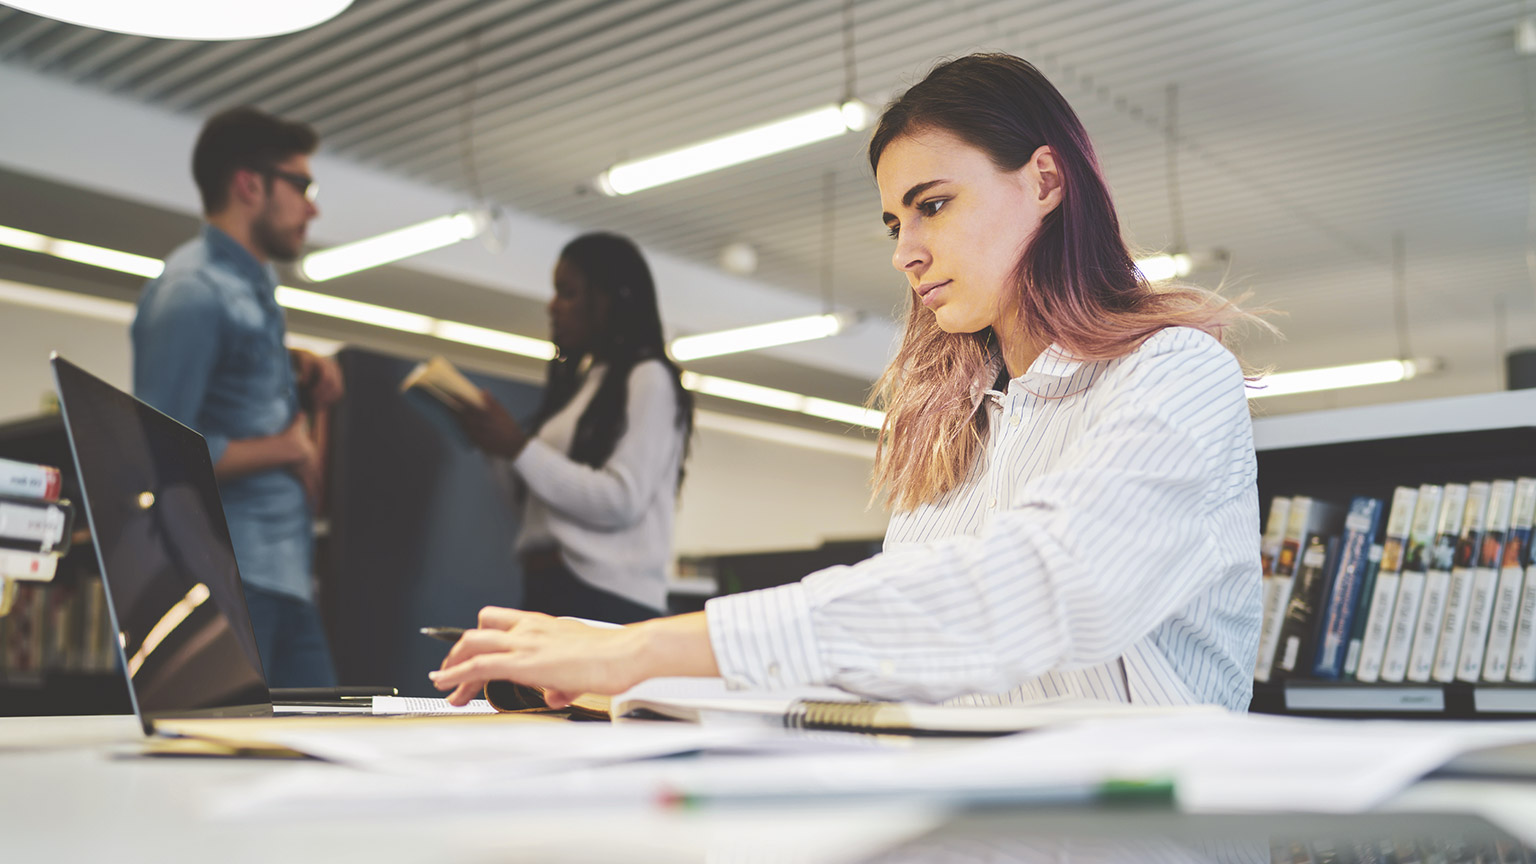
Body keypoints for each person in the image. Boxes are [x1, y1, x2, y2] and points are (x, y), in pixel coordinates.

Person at [431, 53, 1269, 711]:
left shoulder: (1174, 373)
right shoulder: (959, 425)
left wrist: (646, 649)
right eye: (894, 222)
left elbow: (1031, 590)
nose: (905, 251)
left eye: (932, 205)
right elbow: (885, 661)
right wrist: (621, 662)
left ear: (1045, 182)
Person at [132, 106, 343, 688]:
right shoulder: (192, 292)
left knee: (315, 759)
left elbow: (233, 380)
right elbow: (160, 452)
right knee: (229, 769)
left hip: (286, 577)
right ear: (250, 184)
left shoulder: (255, 286)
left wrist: (296, 362)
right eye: (302, 185)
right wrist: (285, 449)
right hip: (229, 579)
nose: (313, 206)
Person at [453, 233, 694, 625]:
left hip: (607, 597)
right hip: (553, 584)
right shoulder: (586, 385)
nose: (552, 306)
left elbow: (621, 499)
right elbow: (539, 508)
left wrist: (519, 448)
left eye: (567, 293)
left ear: (609, 299)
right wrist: (497, 448)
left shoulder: (649, 377)